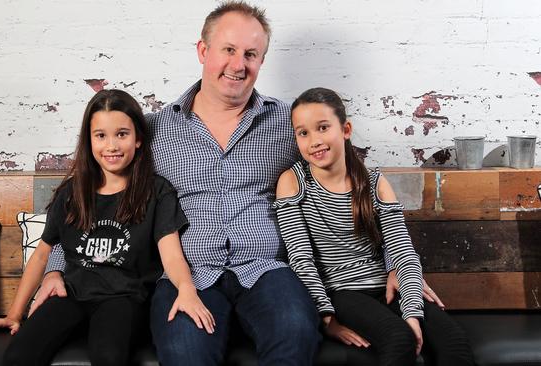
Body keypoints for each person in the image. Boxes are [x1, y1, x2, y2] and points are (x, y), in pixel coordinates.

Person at [34, 1, 445, 364]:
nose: (238, 64)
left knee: (296, 331)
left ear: (261, 61)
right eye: (228, 50)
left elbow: (346, 179)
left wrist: (395, 263)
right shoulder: (155, 130)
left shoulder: (289, 125)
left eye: (251, 54)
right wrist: (56, 270)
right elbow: (93, 195)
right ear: (203, 51)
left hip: (267, 269)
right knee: (183, 349)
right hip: (188, 272)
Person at [0, 89, 213, 366]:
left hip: (124, 298)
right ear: (89, 140)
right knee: (18, 355)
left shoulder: (157, 192)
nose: (111, 145)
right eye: (101, 135)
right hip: (72, 294)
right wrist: (15, 314)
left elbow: (171, 254)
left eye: (122, 134)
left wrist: (186, 289)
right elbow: (42, 254)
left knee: (109, 356)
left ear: (138, 140)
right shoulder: (72, 193)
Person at [274, 87, 475, 365]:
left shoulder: (373, 181)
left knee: (455, 343)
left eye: (322, 128)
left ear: (345, 129)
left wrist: (412, 312)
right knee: (399, 339)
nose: (314, 141)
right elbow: (301, 259)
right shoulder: (293, 182)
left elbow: (402, 250)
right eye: (303, 133)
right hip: (342, 292)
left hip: (385, 284)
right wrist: (326, 318)